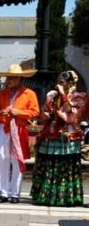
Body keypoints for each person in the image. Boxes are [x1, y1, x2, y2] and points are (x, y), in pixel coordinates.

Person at [31, 71, 87, 207]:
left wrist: (62, 94)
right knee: (49, 164)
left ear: (70, 83)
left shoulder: (78, 97)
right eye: (58, 82)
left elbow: (71, 116)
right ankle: (47, 196)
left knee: (66, 166)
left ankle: (66, 197)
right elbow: (45, 113)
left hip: (68, 137)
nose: (58, 85)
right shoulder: (52, 95)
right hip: (52, 134)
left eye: (62, 82)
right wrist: (45, 115)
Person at [0, 64, 40, 203]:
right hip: (4, 128)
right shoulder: (2, 93)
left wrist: (19, 113)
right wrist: (0, 113)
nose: (8, 80)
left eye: (11, 78)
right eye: (8, 78)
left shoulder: (29, 93)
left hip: (19, 129)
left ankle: (15, 193)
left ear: (19, 79)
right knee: (2, 158)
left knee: (17, 160)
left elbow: (35, 112)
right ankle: (3, 193)